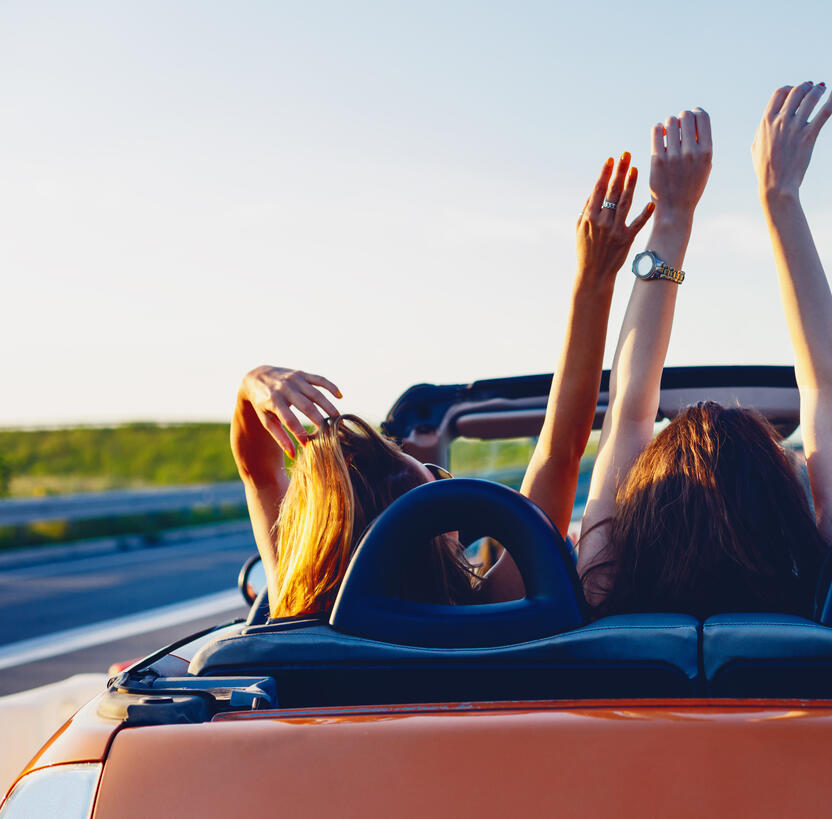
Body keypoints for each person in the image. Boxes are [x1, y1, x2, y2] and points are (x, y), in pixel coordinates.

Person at [232, 152, 655, 620]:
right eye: (437, 474)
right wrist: (593, 275)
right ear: (436, 524)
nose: (441, 475)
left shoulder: (298, 606)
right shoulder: (494, 606)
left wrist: (254, 383)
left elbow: (256, 468)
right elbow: (559, 449)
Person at [578, 86, 832, 619]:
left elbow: (627, 409)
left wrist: (672, 217)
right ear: (783, 505)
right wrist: (779, 195)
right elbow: (825, 383)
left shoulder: (602, 594)